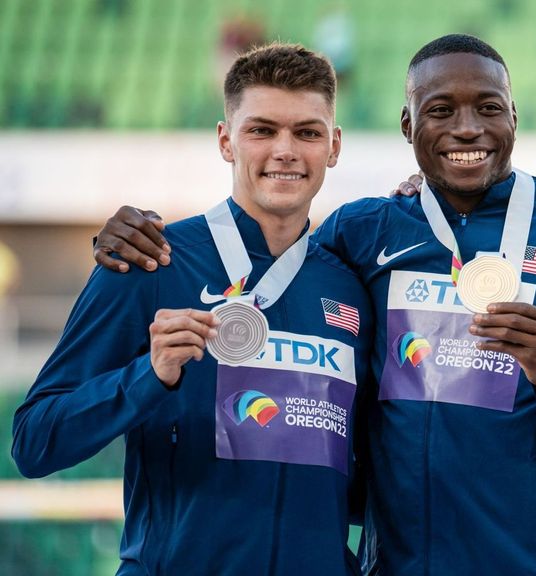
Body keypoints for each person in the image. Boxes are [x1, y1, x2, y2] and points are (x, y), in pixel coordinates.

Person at [90, 34, 536, 575]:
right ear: (408, 126)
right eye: (440, 111)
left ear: (514, 118)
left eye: (488, 107)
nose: (467, 128)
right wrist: (130, 238)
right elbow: (265, 269)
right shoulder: (360, 234)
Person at [12, 43, 372, 575]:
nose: (286, 150)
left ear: (334, 146)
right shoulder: (149, 262)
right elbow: (34, 442)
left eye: (308, 132)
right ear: (226, 140)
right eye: (261, 130)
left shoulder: (350, 287)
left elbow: (360, 471)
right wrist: (149, 376)